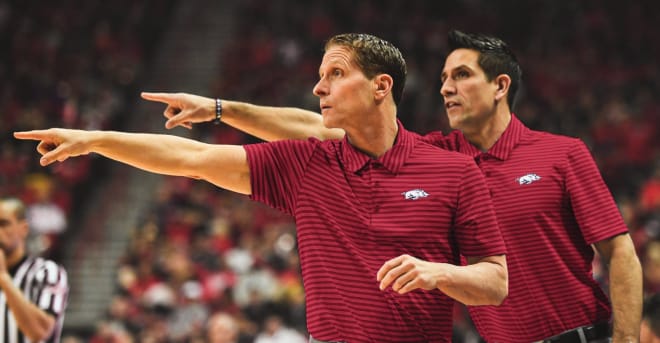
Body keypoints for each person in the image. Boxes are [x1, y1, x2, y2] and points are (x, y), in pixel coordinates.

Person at [140, 29, 643, 343]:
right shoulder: (440, 159)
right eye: (444, 77)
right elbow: (320, 129)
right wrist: (221, 110)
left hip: (585, 337)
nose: (446, 87)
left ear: (500, 86)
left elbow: (619, 254)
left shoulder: (562, 153)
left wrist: (625, 339)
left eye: (462, 75)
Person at [15, 33, 508, 343]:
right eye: (320, 76)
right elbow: (194, 157)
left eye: (335, 74)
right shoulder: (307, 163)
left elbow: (495, 282)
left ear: (381, 87)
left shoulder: (453, 172)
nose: (319, 88)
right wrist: (96, 139)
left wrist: (438, 272)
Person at [0, 197, 69, 343]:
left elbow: (40, 332)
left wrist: (3, 278)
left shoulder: (47, 272)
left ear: (23, 229)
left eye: (3, 224)